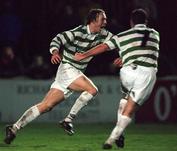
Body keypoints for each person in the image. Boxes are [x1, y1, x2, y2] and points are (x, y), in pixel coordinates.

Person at [4, 8, 115, 145]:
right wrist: (55, 52)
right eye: (103, 19)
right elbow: (58, 39)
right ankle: (68, 120)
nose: (106, 21)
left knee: (46, 106)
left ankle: (14, 128)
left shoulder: (103, 34)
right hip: (68, 68)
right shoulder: (77, 32)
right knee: (92, 90)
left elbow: (117, 41)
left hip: (73, 72)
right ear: (93, 21)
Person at [74, 8, 160, 149]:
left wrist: (83, 55)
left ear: (131, 22)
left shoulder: (122, 36)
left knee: (124, 100)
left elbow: (103, 47)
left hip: (127, 72)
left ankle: (120, 134)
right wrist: (126, 56)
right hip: (146, 74)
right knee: (130, 109)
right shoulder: (155, 34)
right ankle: (111, 139)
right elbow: (147, 50)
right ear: (146, 21)